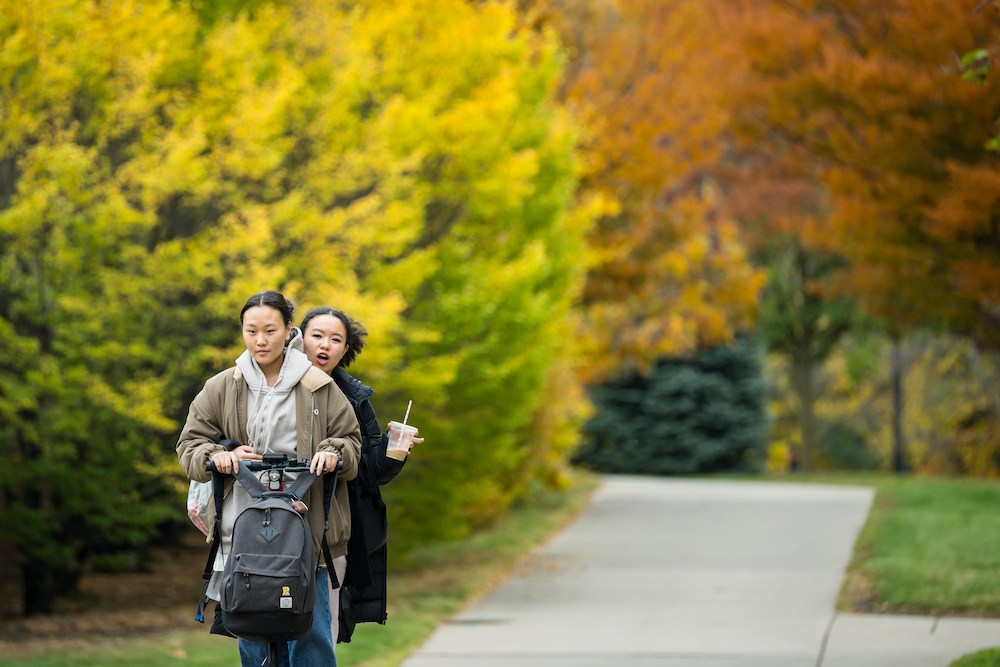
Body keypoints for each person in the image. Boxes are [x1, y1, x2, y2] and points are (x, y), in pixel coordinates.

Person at [176, 290, 362, 667]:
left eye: (270, 330)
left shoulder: (317, 385)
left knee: (312, 641)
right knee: (251, 635)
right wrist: (218, 456)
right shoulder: (222, 385)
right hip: (243, 534)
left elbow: (351, 443)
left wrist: (333, 452)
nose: (260, 340)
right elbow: (189, 445)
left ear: (289, 331)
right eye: (251, 331)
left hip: (307, 533)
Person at [298, 306, 422, 644]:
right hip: (277, 522)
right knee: (269, 628)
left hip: (334, 529)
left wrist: (394, 450)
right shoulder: (270, 387)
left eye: (336, 339)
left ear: (346, 350)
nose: (325, 345)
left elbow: (370, 473)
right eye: (317, 336)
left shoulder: (354, 398)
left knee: (324, 629)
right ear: (298, 339)